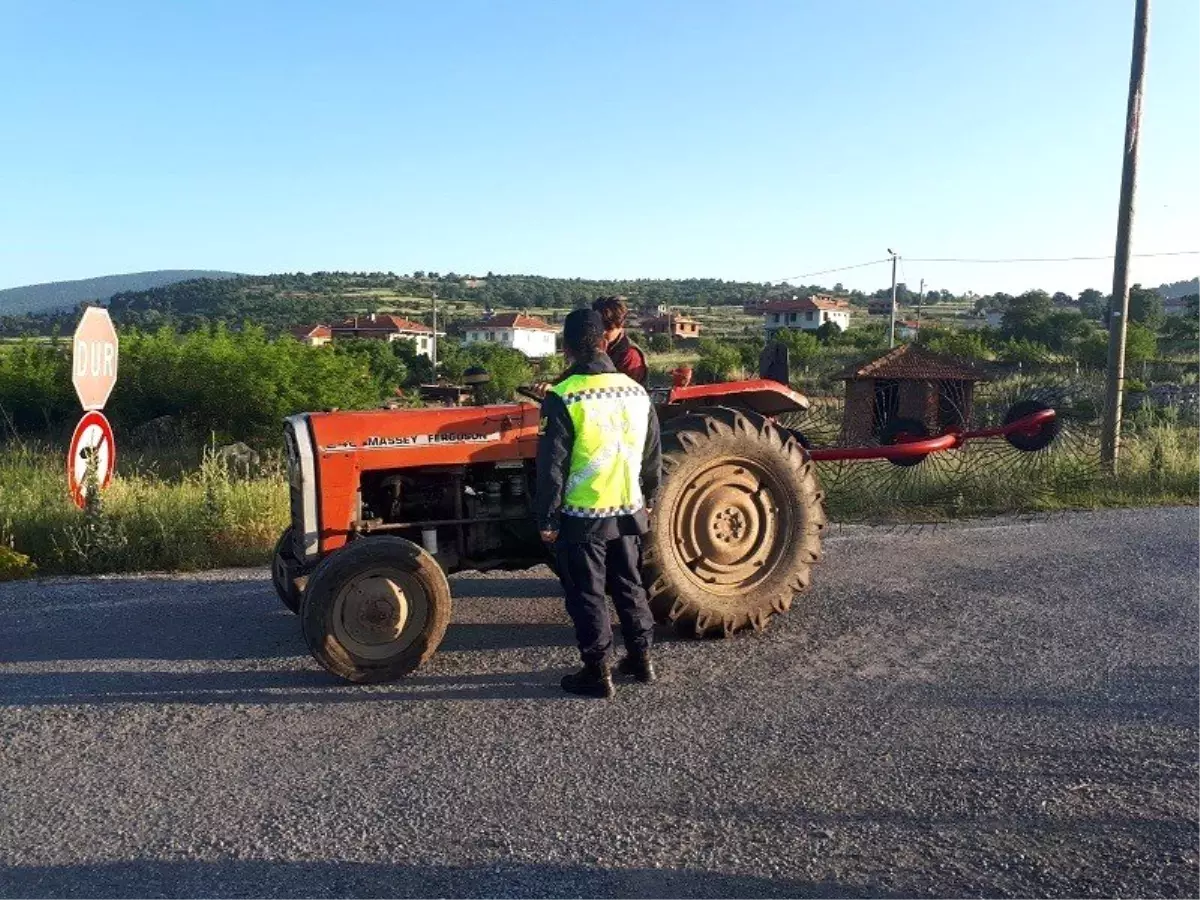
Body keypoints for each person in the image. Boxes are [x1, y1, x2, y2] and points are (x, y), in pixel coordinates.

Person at [535, 308, 662, 698]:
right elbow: (652, 453)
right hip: (628, 507)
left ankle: (597, 672)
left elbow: (552, 466)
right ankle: (642, 661)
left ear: (567, 347)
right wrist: (651, 498)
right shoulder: (636, 391)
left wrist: (546, 517)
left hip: (584, 512)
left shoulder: (563, 395)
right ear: (604, 342)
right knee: (629, 584)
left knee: (588, 592)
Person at [591, 295, 648, 385]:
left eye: (608, 329)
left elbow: (627, 392)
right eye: (599, 328)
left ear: (621, 324)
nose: (602, 333)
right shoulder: (591, 347)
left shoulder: (631, 356)